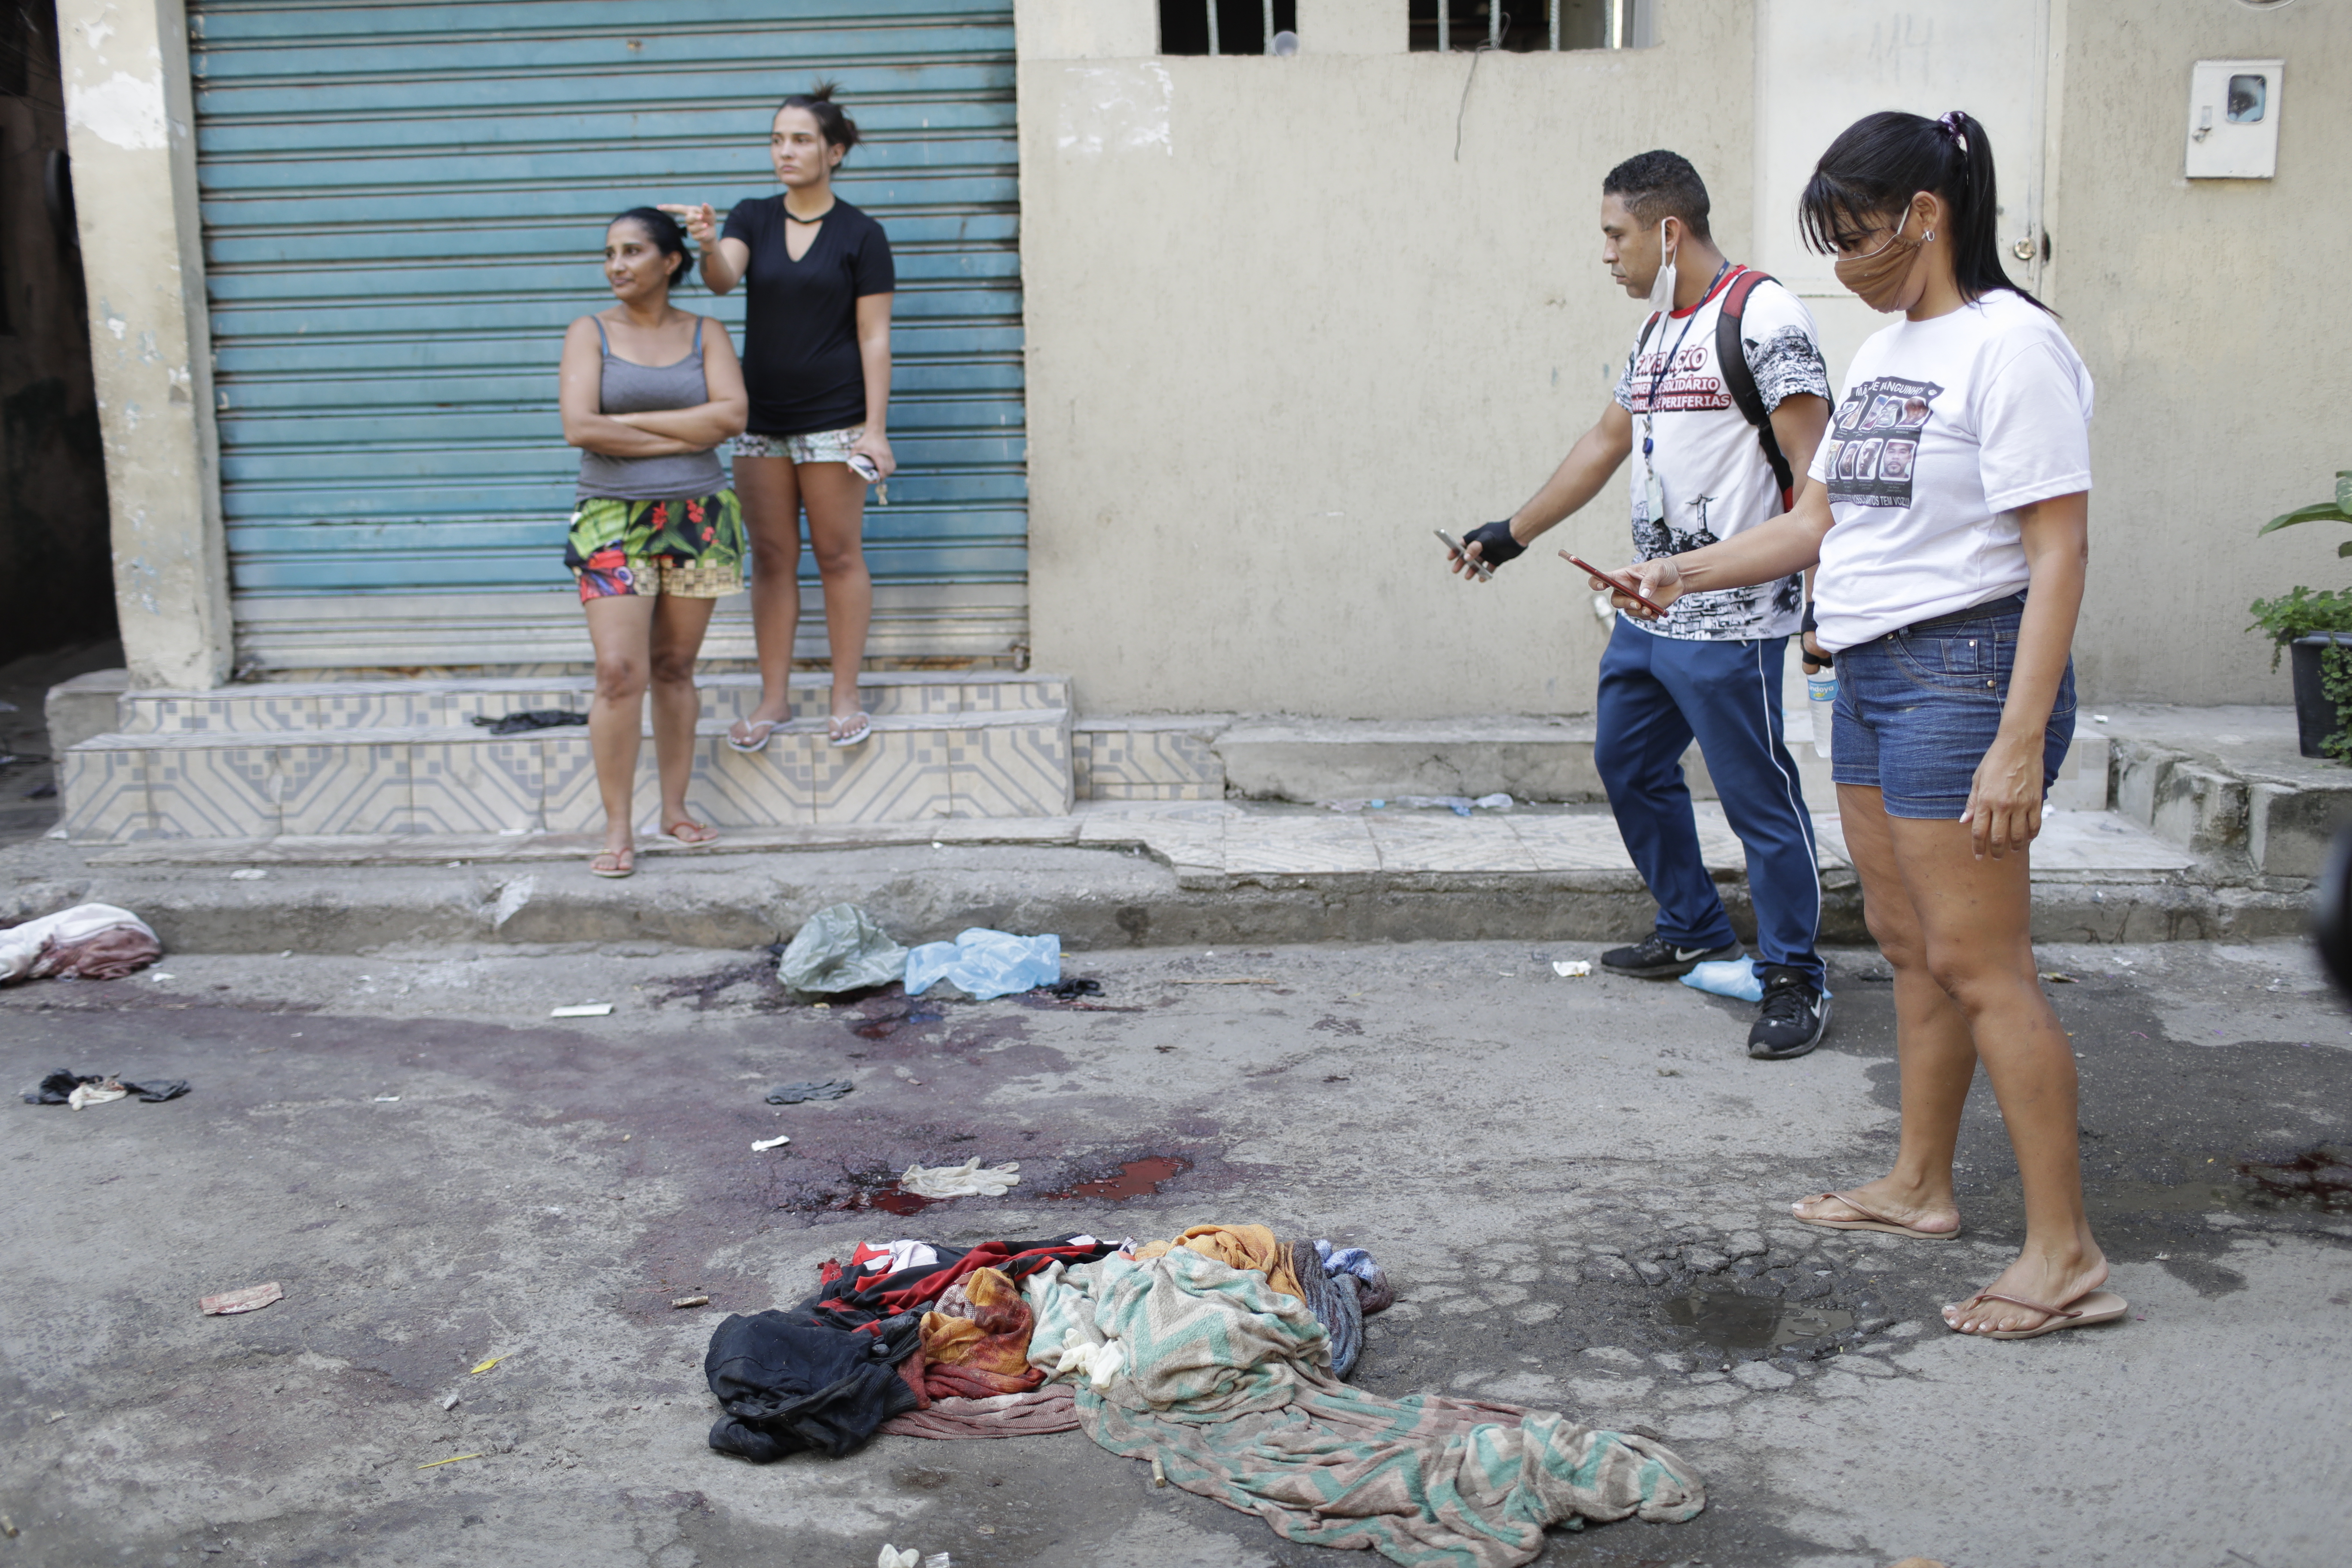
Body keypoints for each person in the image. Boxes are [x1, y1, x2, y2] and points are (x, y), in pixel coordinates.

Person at [1592, 110, 2123, 1341]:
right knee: (1908, 942)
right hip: (1872, 676)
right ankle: (1920, 1186)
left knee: (1988, 968)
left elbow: (2058, 551)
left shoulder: (2014, 348)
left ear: (1926, 217)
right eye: (1827, 242)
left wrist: (2020, 738)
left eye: (1859, 235)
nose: (1843, 263)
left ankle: (2068, 1255)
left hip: (1967, 671)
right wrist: (1685, 574)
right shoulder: (1886, 352)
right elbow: (1817, 521)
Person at [1445, 150, 1835, 1060]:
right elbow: (1606, 441)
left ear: (1669, 231)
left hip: (1732, 619)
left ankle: (1794, 975)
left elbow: (1819, 477)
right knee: (1629, 766)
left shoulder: (1762, 315)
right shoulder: (1660, 332)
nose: (1607, 254)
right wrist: (1514, 531)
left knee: (1758, 799)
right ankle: (1695, 928)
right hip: (1646, 612)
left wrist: (1826, 604)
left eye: (1615, 234)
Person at [662, 82, 895, 753]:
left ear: (835, 152)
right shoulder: (752, 219)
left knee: (837, 554)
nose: (785, 152)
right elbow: (722, 279)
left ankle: (844, 695)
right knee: (770, 558)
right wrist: (708, 241)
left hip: (835, 418)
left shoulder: (862, 234)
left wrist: (874, 430)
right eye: (776, 139)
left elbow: (874, 337)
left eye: (800, 140)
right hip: (760, 420)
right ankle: (774, 700)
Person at [558, 207, 749, 879]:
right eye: (609, 253)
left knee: (673, 667)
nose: (617, 266)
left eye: (633, 252)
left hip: (699, 518)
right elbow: (580, 427)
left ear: (671, 261)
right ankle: (617, 828)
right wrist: (679, 430)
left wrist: (632, 422)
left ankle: (675, 808)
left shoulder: (707, 333)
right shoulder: (590, 332)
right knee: (619, 673)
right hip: (610, 516)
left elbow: (732, 416)